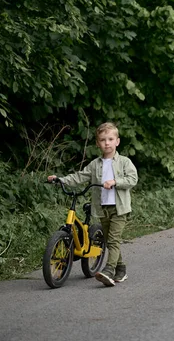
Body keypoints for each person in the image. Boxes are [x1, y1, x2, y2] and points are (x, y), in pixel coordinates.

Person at [48, 122, 138, 286]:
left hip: (119, 208)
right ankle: (121, 269)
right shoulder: (95, 165)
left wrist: (115, 182)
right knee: (110, 241)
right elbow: (79, 177)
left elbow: (133, 179)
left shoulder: (124, 162)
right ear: (98, 143)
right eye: (103, 140)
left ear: (117, 141)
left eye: (110, 139)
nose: (107, 143)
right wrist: (60, 179)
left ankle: (109, 270)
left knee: (112, 240)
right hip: (103, 208)